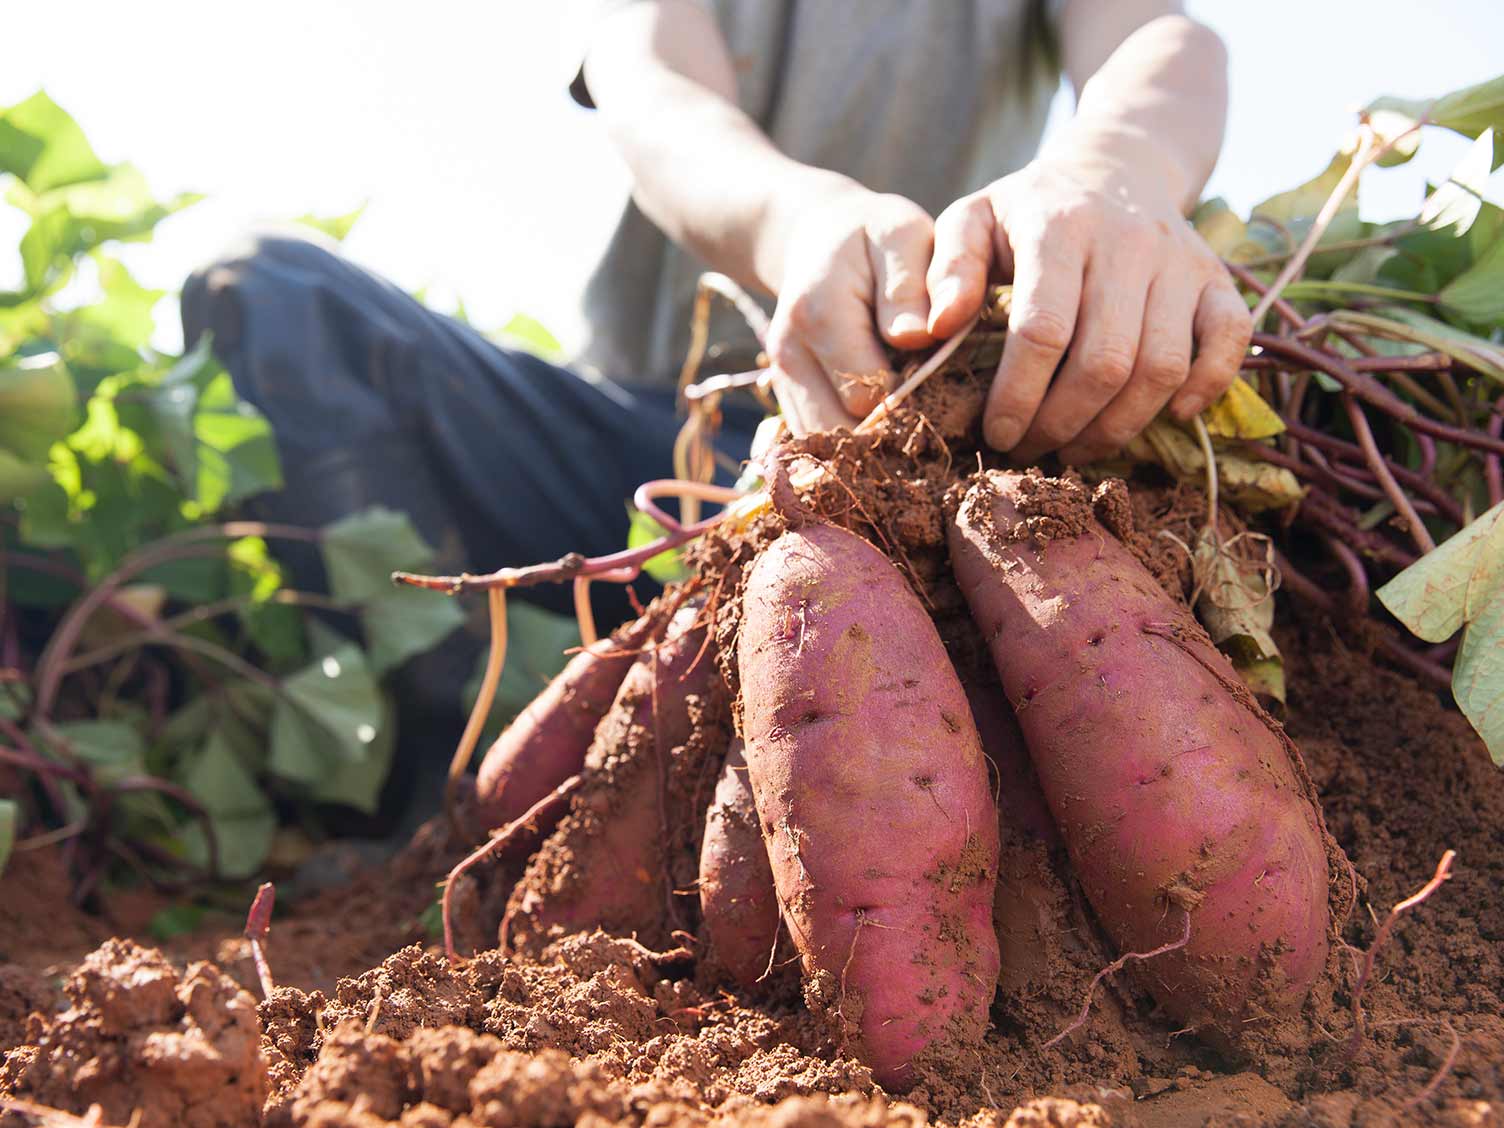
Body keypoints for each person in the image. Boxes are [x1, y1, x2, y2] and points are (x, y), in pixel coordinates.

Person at [182, 0, 1249, 812]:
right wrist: (799, 222)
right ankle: (441, 784)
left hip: (901, 456)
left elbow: (1158, 39)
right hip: (649, 445)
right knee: (267, 289)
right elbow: (652, 91)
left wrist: (1117, 172)